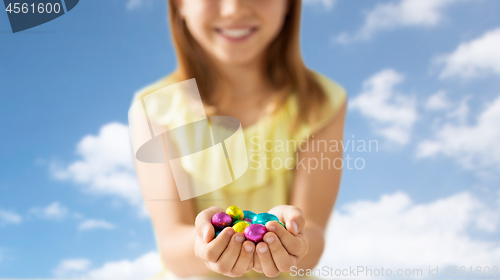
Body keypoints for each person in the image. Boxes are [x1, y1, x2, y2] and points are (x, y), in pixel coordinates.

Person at [131, 0, 347, 278]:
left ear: (289, 5)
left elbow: (313, 235)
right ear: (179, 5)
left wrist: (296, 242)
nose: (233, 9)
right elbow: (171, 245)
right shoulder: (155, 108)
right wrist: (203, 245)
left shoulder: (322, 101)